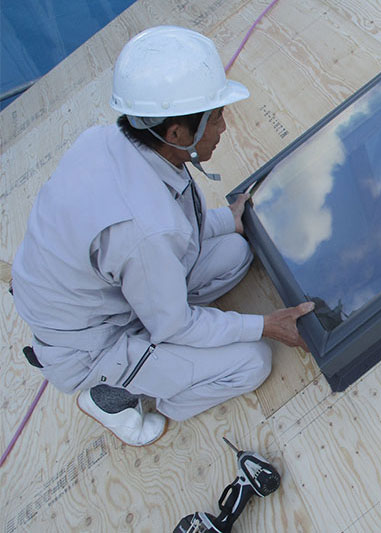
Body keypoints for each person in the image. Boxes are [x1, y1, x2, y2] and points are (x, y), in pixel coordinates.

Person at [11, 26, 313, 446]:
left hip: (103, 296)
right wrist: (265, 324)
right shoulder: (143, 231)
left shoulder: (110, 140)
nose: (223, 127)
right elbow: (172, 312)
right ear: (176, 134)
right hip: (92, 346)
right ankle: (116, 396)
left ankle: (156, 326)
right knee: (252, 362)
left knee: (235, 250)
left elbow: (170, 226)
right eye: (217, 115)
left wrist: (232, 218)